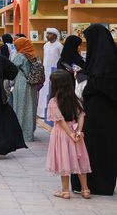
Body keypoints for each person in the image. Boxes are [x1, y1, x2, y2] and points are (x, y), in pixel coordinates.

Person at [71, 24, 117, 196]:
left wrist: (85, 82)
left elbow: (103, 84)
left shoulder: (104, 59)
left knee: (97, 146)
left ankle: (97, 184)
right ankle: (93, 184)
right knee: (96, 146)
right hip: (101, 111)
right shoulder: (104, 56)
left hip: (102, 112)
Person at [46, 70, 91, 199]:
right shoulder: (75, 99)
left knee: (63, 160)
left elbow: (59, 120)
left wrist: (70, 133)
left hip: (62, 134)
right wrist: (77, 132)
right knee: (80, 159)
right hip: (76, 133)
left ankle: (65, 191)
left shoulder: (54, 102)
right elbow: (81, 115)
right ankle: (85, 189)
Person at [12, 37, 39, 142]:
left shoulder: (20, 56)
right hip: (32, 84)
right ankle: (29, 133)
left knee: (20, 107)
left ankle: (21, 134)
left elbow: (12, 68)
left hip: (21, 83)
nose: (15, 47)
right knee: (31, 107)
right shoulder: (33, 55)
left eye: (16, 45)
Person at [37, 28, 63, 118]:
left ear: (55, 35)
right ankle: (41, 112)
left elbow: (60, 59)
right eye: (47, 33)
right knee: (44, 90)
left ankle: (51, 113)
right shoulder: (45, 45)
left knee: (51, 90)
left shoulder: (59, 46)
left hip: (54, 71)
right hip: (45, 71)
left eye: (49, 34)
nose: (47, 35)